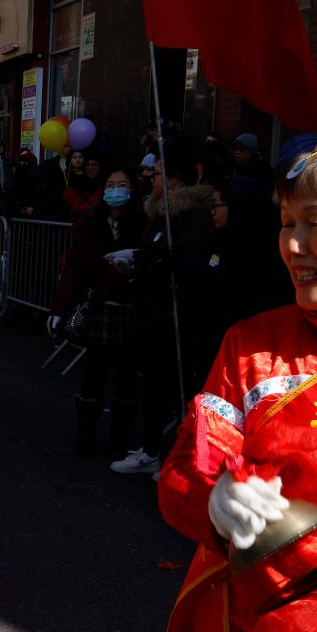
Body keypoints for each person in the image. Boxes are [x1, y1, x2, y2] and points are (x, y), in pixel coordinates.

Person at [157, 143, 317, 632]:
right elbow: (183, 470)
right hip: (261, 621)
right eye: (286, 223)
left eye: (315, 223)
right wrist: (217, 501)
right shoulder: (253, 345)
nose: (294, 246)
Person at [108, 139, 216, 474]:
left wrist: (144, 260)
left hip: (178, 317)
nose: (150, 178)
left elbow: (184, 260)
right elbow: (154, 253)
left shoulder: (193, 215)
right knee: (155, 386)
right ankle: (151, 450)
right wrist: (136, 262)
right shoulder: (156, 212)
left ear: (174, 178)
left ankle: (185, 460)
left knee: (180, 390)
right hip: (151, 314)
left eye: (156, 173)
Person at [49, 169, 146, 457]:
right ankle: (85, 434)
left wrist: (135, 265)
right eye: (111, 184)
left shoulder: (144, 222)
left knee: (127, 377)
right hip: (99, 309)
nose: (116, 190)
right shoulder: (89, 224)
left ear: (132, 190)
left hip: (131, 311)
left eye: (123, 185)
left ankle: (119, 439)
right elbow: (73, 270)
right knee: (94, 373)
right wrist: (58, 308)